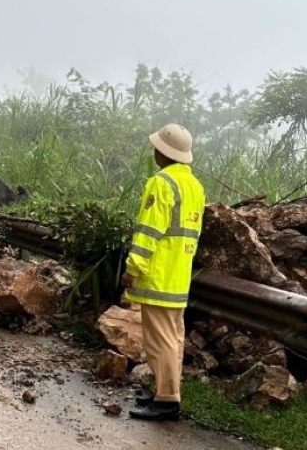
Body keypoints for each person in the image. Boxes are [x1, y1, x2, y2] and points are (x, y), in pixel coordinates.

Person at [122, 124, 205, 421]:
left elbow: (149, 231)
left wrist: (133, 268)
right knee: (173, 339)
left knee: (161, 342)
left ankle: (167, 401)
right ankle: (164, 391)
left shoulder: (161, 183)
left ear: (163, 152)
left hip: (158, 275)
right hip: (179, 275)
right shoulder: (194, 186)